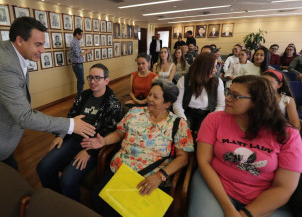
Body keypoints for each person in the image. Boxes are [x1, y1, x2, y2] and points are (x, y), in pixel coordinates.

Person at [0, 17, 96, 170]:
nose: (43, 50)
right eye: (38, 45)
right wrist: (70, 124)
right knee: (0, 183)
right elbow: (24, 116)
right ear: (19, 40)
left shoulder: (8, 50)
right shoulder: (3, 64)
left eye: (43, 44)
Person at [189, 75, 302, 217]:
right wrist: (228, 208)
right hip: (218, 184)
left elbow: (284, 188)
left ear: (257, 102)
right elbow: (204, 162)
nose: (227, 98)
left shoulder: (288, 135)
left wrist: (245, 214)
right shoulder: (214, 119)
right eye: (228, 92)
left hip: (263, 196)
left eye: (235, 96)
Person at [82, 79, 194, 216]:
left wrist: (159, 177)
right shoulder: (134, 112)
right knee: (96, 201)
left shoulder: (178, 124)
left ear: (167, 104)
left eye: (155, 97)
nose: (150, 99)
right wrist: (103, 141)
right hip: (120, 170)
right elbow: (119, 133)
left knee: (119, 212)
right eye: (150, 94)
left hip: (148, 178)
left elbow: (183, 158)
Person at [37, 64, 122, 202]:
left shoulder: (113, 103)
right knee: (43, 168)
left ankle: (73, 208)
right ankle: (56, 198)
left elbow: (109, 133)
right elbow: (71, 117)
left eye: (97, 78)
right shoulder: (83, 96)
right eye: (90, 77)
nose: (92, 81)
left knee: (67, 180)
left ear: (107, 80)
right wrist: (60, 135)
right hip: (73, 139)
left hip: (91, 146)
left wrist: (89, 152)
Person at [173, 53, 225, 136]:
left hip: (207, 114)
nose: (215, 70)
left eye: (216, 66)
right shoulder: (184, 80)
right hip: (187, 112)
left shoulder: (218, 82)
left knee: (202, 134)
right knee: (184, 133)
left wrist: (210, 120)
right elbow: (177, 103)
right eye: (213, 67)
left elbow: (220, 106)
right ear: (203, 67)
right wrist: (183, 120)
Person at [69, 28, 91, 93]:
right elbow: (78, 55)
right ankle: (80, 96)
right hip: (77, 64)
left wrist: (83, 48)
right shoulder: (75, 42)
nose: (81, 37)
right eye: (81, 35)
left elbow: (76, 50)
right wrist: (87, 51)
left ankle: (80, 95)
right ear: (77, 34)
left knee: (80, 81)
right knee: (81, 81)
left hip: (77, 64)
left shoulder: (75, 41)